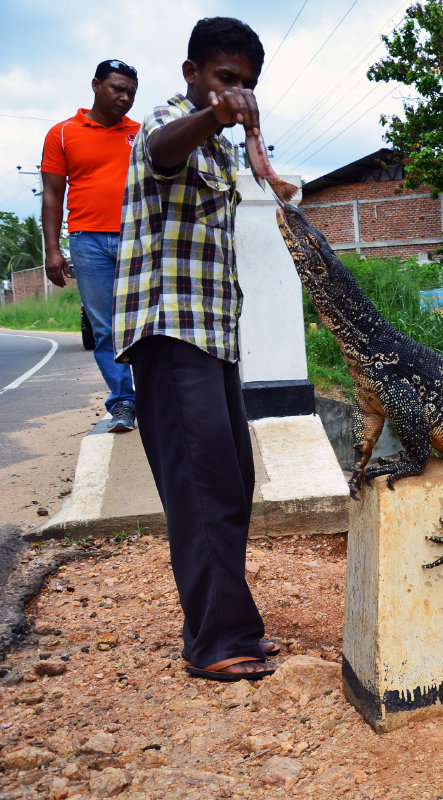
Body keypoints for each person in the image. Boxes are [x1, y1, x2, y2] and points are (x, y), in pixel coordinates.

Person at [113, 17, 277, 682]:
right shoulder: (173, 119)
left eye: (247, 84)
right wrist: (217, 115)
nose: (236, 92)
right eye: (225, 78)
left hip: (212, 336)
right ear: (193, 75)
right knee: (205, 489)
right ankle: (217, 640)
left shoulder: (225, 151)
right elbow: (160, 150)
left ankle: (220, 623)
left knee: (231, 482)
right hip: (170, 331)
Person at [41, 60, 140, 432]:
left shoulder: (141, 133)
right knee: (105, 329)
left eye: (130, 91)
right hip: (87, 242)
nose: (124, 97)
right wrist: (53, 250)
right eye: (117, 88)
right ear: (96, 85)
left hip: (138, 238)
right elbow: (52, 195)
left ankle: (158, 397)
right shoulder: (62, 133)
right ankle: (123, 404)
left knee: (146, 323)